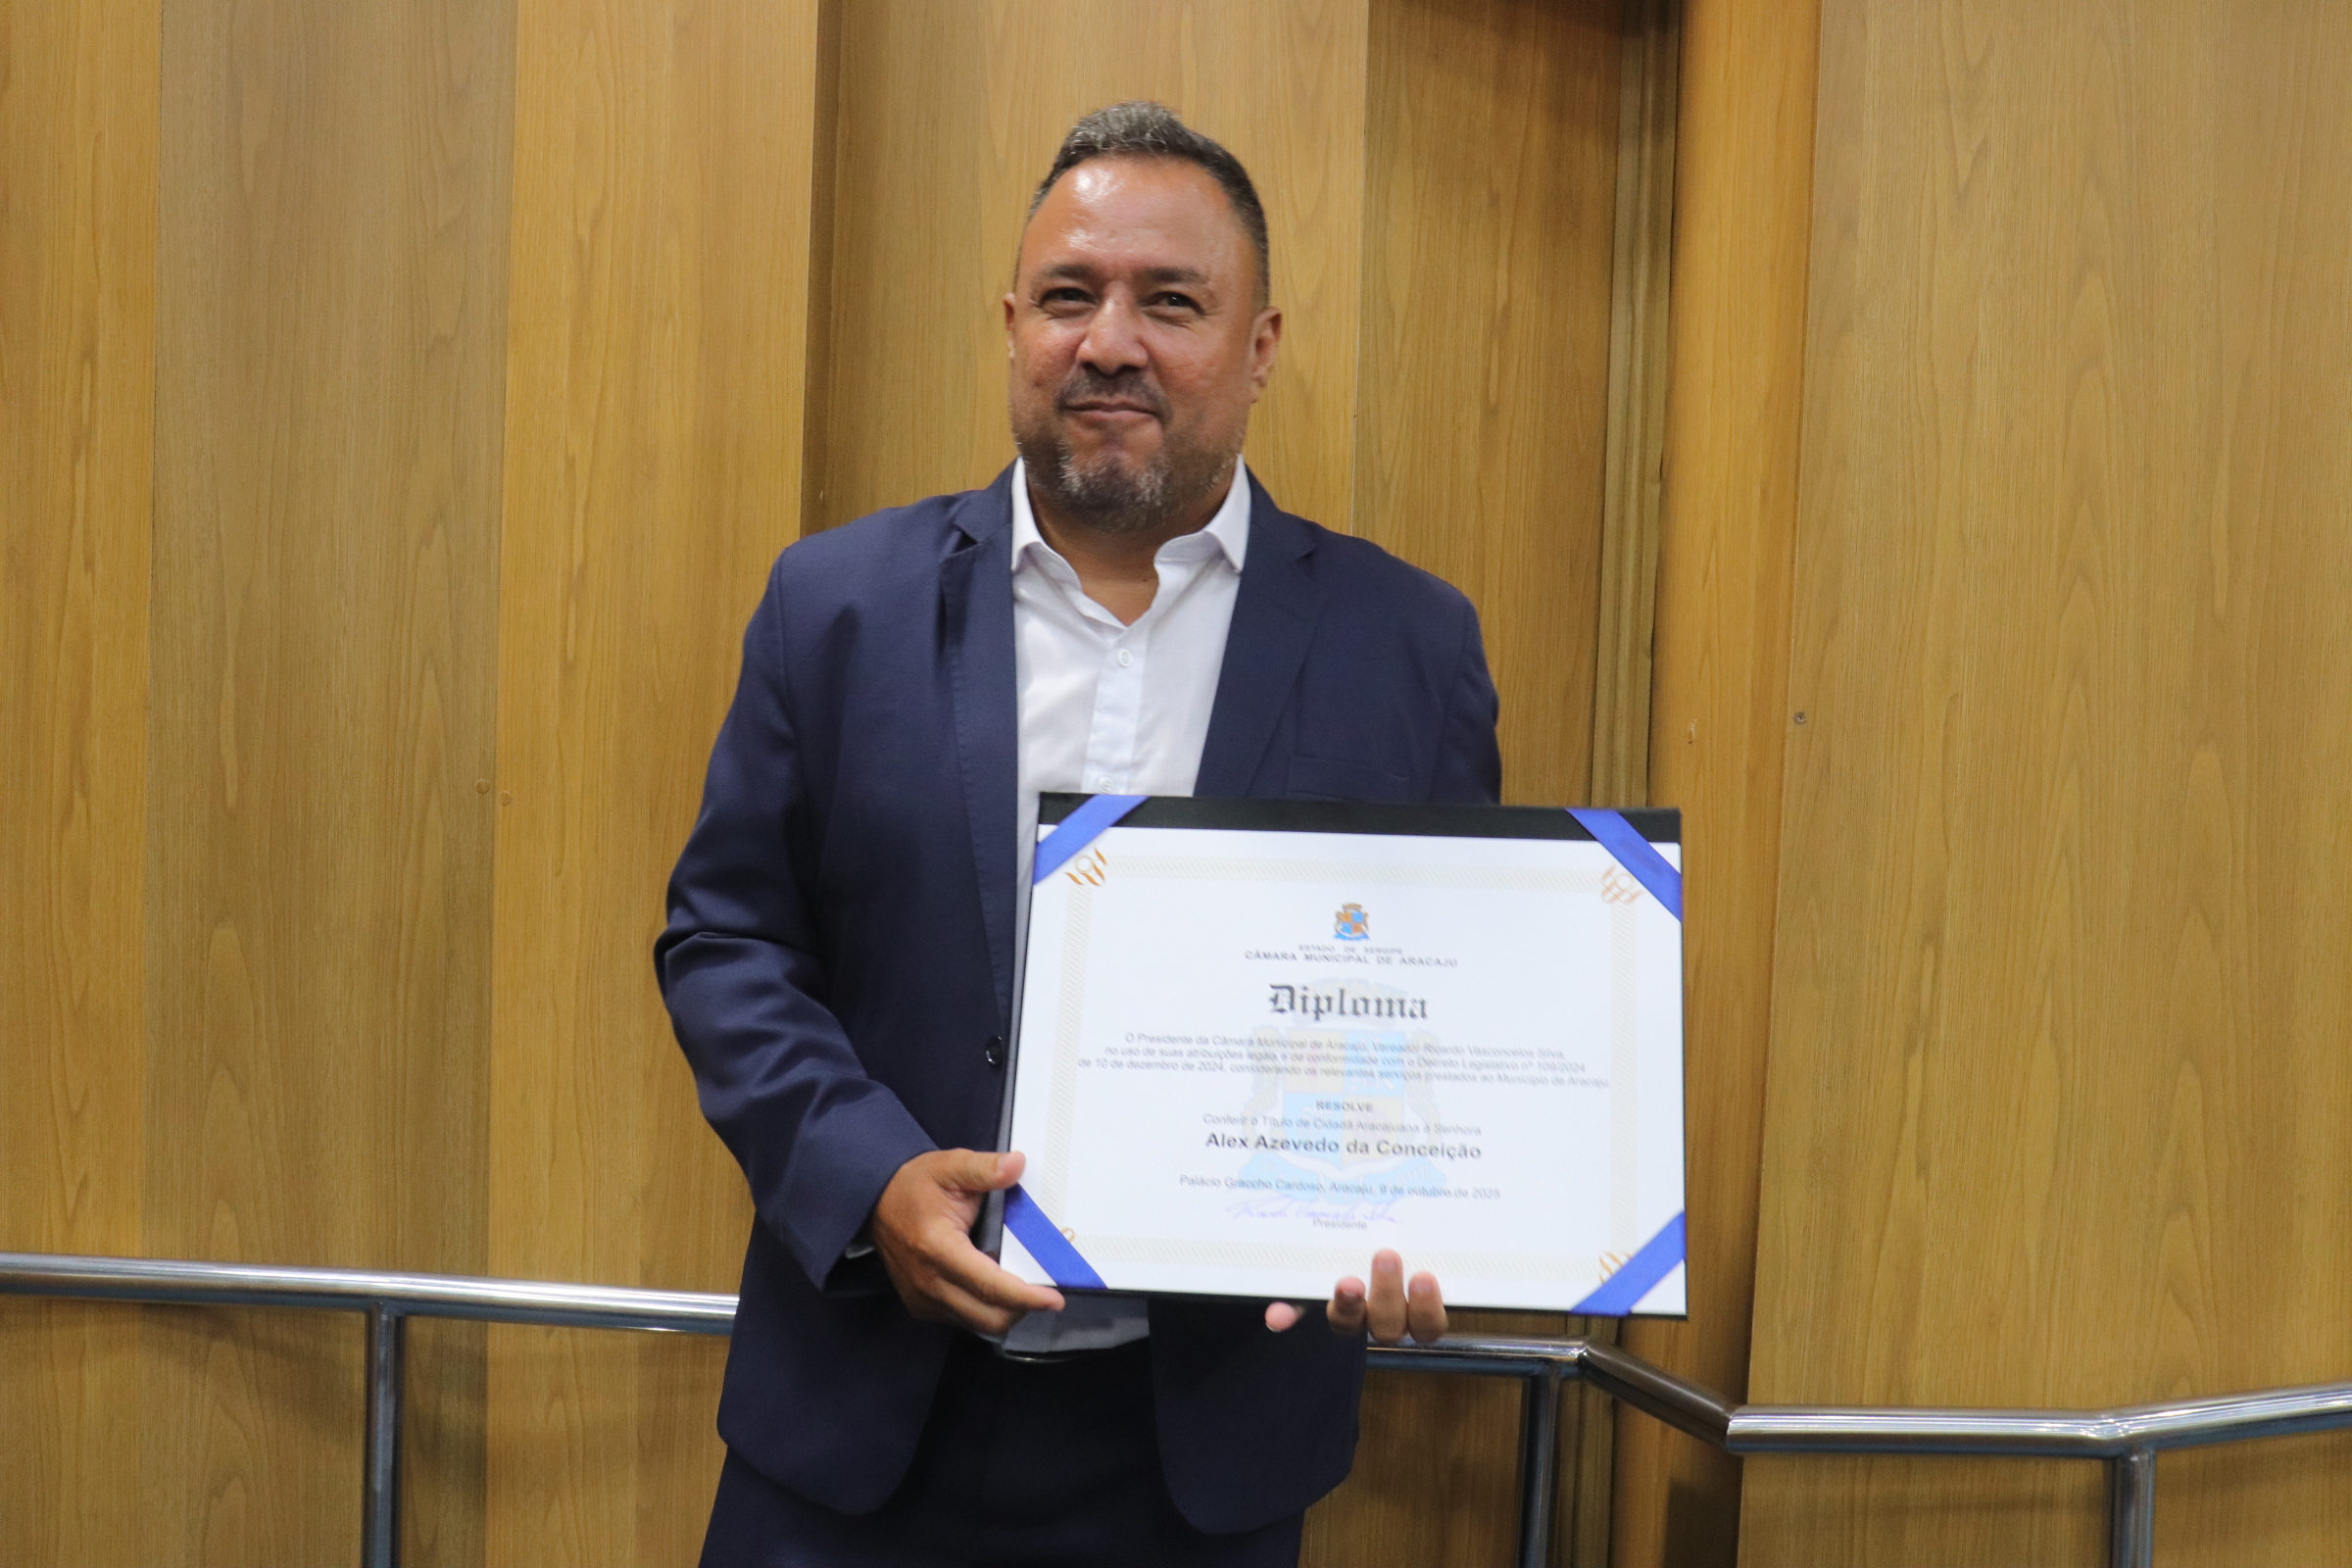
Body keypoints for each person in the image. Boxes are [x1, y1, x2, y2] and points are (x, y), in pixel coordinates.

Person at [658, 101, 1499, 1567]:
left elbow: (1446, 1008)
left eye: (1170, 302)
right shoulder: (836, 606)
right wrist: (867, 1177)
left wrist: (1420, 1209)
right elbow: (727, 942)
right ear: (1013, 328)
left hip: (1204, 1458)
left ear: (1260, 345)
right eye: (1069, 296)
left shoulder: (1408, 647)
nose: (1111, 341)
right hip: (853, 1433)